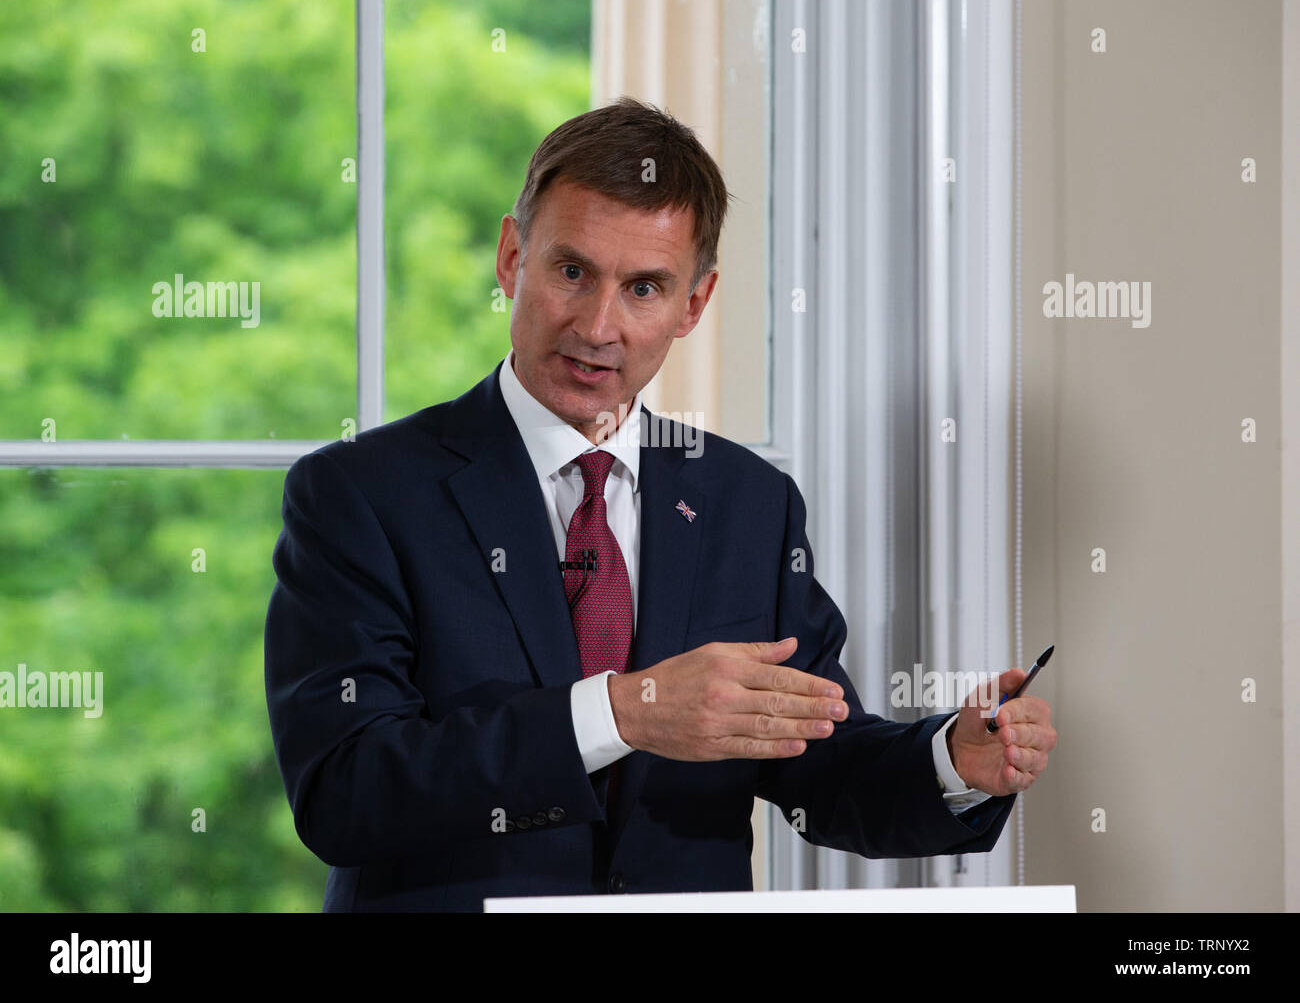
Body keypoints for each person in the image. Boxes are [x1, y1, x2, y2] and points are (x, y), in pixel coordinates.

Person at [264, 96, 1056, 912]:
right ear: (511, 258)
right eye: (571, 271)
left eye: (644, 287)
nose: (599, 325)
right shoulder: (361, 493)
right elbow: (344, 789)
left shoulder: (752, 505)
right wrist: (623, 710)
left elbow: (815, 755)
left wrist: (952, 761)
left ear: (695, 303)